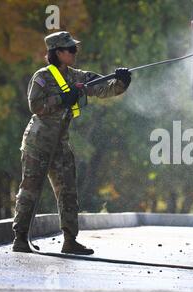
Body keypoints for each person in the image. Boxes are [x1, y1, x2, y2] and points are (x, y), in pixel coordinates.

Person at [12, 31, 132, 255]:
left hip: (60, 143)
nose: (75, 53)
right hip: (38, 143)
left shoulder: (78, 76)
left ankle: (70, 241)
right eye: (71, 50)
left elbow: (103, 88)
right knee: (30, 190)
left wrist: (122, 81)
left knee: (68, 191)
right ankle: (20, 239)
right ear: (58, 53)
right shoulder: (43, 76)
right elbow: (35, 106)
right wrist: (62, 99)